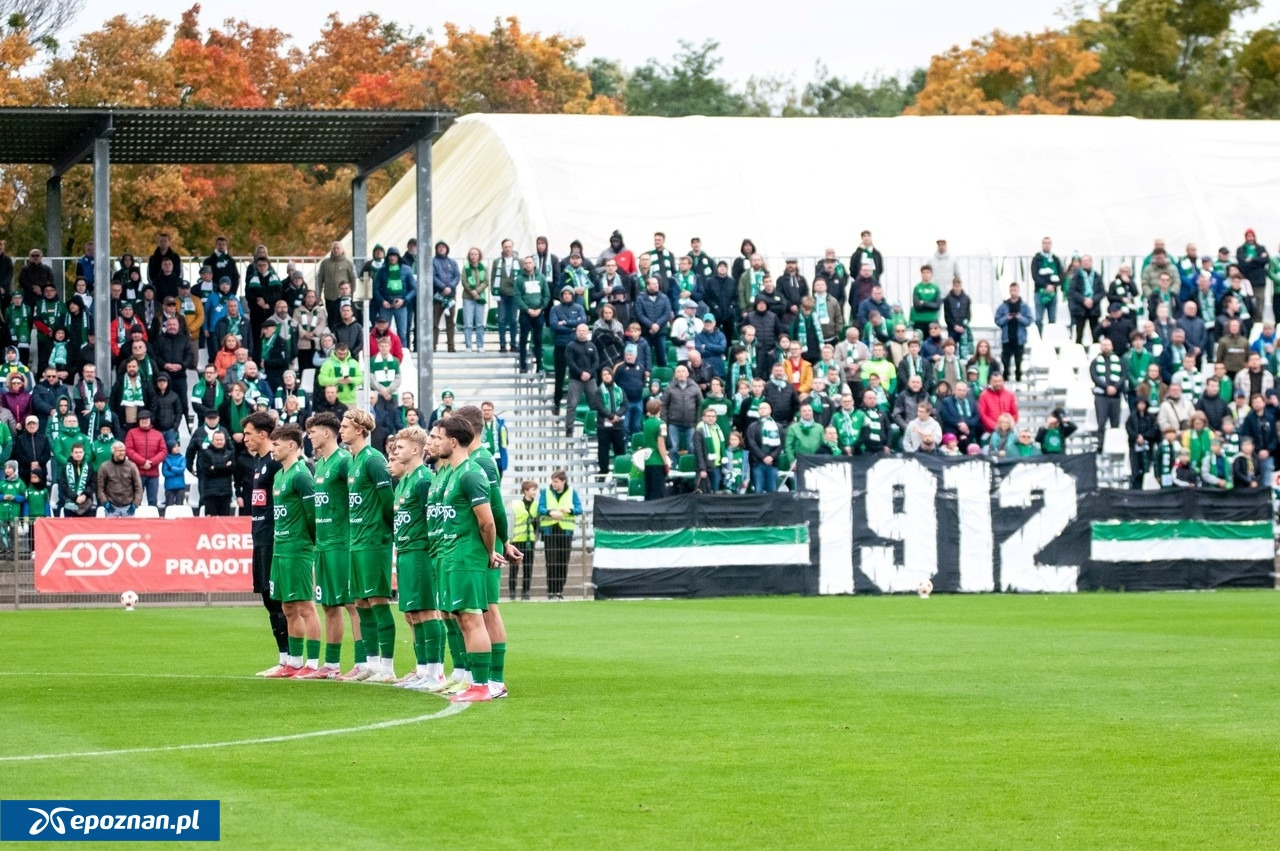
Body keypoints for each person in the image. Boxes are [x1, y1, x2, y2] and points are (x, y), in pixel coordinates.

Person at [430, 415, 503, 702]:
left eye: (439, 436)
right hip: (451, 555)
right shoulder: (453, 474)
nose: (434, 441)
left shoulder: (471, 474)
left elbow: (487, 522)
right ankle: (473, 681)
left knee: (472, 619)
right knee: (462, 619)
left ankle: (483, 685)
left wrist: (488, 552)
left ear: (453, 441)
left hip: (466, 556)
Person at [383, 426, 445, 690]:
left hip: (421, 553)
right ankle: (422, 671)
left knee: (427, 612)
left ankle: (436, 672)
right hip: (406, 554)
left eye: (400, 446)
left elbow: (433, 519)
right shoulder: (405, 481)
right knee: (413, 614)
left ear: (416, 449)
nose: (395, 450)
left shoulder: (422, 480)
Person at [258, 424, 322, 678]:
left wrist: (308, 543)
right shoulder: (279, 476)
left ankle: (314, 663)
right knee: (287, 607)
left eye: (277, 444)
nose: (272, 449)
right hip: (280, 549)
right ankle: (294, 662)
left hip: (298, 549)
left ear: (292, 446)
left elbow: (312, 516)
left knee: (306, 606)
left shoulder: (302, 475)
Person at [340, 408, 397, 683]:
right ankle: (371, 664)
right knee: (361, 602)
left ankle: (387, 667)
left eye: (345, 425)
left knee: (377, 601)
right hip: (356, 540)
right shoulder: (353, 461)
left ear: (361, 429)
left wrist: (386, 532)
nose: (341, 429)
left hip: (374, 540)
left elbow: (389, 502)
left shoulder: (374, 460)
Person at [241, 411, 290, 677]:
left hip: (273, 536)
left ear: (263, 434)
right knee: (268, 599)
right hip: (259, 535)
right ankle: (284, 659)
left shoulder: (275, 461)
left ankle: (292, 659)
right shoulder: (259, 461)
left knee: (280, 600)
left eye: (249, 433)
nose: (245, 438)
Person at [538, 470, 580, 600]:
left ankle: (559, 590)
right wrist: (550, 512)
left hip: (565, 531)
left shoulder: (572, 492)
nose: (554, 484)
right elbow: (540, 508)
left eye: (556, 481)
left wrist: (570, 510)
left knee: (563, 562)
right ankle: (551, 591)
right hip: (550, 530)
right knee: (551, 561)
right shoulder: (546, 491)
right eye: (553, 481)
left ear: (563, 481)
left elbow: (579, 509)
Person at [514, 255, 549, 373]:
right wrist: (527, 309)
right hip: (525, 314)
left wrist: (541, 308)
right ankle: (523, 365)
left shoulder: (542, 278)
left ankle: (539, 365)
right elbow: (517, 297)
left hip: (539, 313)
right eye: (526, 263)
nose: (528, 265)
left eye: (530, 262)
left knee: (538, 340)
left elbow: (546, 295)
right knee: (523, 339)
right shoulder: (519, 279)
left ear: (534, 264)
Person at [564, 323, 600, 437]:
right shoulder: (571, 346)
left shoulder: (592, 346)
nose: (581, 333)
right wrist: (581, 373)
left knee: (595, 404)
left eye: (584, 331)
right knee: (572, 405)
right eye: (580, 331)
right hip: (576, 380)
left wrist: (589, 373)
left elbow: (596, 362)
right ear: (576, 332)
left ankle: (597, 426)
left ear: (587, 332)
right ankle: (569, 429)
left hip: (590, 380)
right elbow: (570, 362)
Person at [1090, 337, 1125, 452]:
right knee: (1101, 422)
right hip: (1101, 396)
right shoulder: (1095, 362)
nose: (1106, 347)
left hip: (1115, 396)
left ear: (1112, 347)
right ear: (1100, 347)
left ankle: (1114, 445)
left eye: (1108, 345)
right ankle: (1100, 446)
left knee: (1115, 423)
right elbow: (1094, 377)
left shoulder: (1119, 361)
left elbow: (1123, 375)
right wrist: (1106, 387)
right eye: (1104, 345)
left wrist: (1115, 387)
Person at [123, 410, 165, 506]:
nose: (144, 421)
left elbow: (163, 451)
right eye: (142, 419)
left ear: (150, 420)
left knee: (153, 500)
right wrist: (143, 462)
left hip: (153, 473)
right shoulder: (132, 433)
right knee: (135, 501)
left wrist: (151, 463)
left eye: (146, 419)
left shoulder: (158, 434)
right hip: (136, 473)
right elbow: (129, 450)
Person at [994, 283, 1034, 381]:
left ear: (1018, 291)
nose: (1013, 292)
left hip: (1019, 338)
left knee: (1019, 359)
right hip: (1007, 337)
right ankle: (1006, 374)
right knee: (1005, 359)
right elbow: (997, 320)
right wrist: (1006, 318)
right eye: (1011, 290)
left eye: (1015, 290)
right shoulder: (1003, 306)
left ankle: (1018, 375)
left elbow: (1029, 320)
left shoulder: (1024, 306)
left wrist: (1020, 318)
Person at [509, 480, 539, 600]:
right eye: (533, 489)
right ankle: (512, 592)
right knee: (514, 568)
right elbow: (512, 522)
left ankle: (526, 592)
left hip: (529, 540)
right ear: (525, 491)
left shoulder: (536, 505)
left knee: (528, 568)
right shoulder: (517, 504)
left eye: (536, 489)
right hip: (517, 540)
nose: (535, 492)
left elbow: (537, 524)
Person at [96, 441, 141, 517]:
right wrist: (105, 502)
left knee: (129, 529)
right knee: (110, 529)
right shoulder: (104, 467)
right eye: (119, 451)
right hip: (111, 507)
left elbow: (138, 487)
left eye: (123, 450)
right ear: (113, 451)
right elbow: (100, 488)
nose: (122, 453)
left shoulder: (132, 466)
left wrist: (135, 503)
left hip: (128, 507)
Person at [196, 428, 235, 516]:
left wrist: (215, 467)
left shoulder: (230, 453)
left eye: (221, 440)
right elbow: (206, 471)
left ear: (225, 440)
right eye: (217, 440)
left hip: (226, 493)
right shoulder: (205, 454)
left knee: (225, 522)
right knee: (211, 522)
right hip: (210, 493)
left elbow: (231, 469)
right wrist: (224, 467)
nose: (219, 442)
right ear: (212, 441)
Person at [596, 366, 626, 475]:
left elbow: (624, 405)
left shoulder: (620, 390)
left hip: (618, 425)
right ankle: (603, 471)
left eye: (608, 374)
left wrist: (617, 415)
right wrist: (610, 416)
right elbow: (599, 406)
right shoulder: (599, 391)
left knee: (620, 449)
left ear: (612, 375)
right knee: (603, 450)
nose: (607, 376)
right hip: (603, 426)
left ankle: (621, 472)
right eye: (604, 375)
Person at [639, 398, 670, 500]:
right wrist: (666, 461)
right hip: (657, 461)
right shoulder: (661, 424)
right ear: (660, 409)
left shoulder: (646, 423)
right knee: (658, 492)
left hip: (647, 461)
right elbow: (661, 444)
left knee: (649, 491)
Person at [162, 441, 186, 509]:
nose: (177, 448)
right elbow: (165, 472)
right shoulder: (166, 459)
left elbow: (182, 470)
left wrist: (171, 468)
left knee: (180, 506)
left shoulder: (182, 458)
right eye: (175, 447)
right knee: (169, 505)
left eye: (178, 446)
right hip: (169, 486)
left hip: (180, 486)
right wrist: (176, 472)